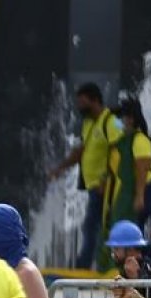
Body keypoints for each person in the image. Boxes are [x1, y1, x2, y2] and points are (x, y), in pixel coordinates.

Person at [49, 83, 123, 271]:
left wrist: (107, 178)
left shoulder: (112, 121)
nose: (79, 107)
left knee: (94, 226)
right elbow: (81, 151)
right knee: (93, 226)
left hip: (107, 187)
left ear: (95, 100)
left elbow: (120, 151)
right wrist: (61, 168)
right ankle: (92, 264)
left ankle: (88, 265)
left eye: (83, 103)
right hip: (93, 186)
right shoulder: (89, 123)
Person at [102, 99, 151, 265]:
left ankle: (145, 264)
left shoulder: (140, 140)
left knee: (135, 232)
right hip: (132, 191)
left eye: (122, 117)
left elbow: (142, 168)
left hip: (144, 190)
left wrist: (140, 196)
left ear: (131, 119)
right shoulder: (123, 139)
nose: (118, 121)